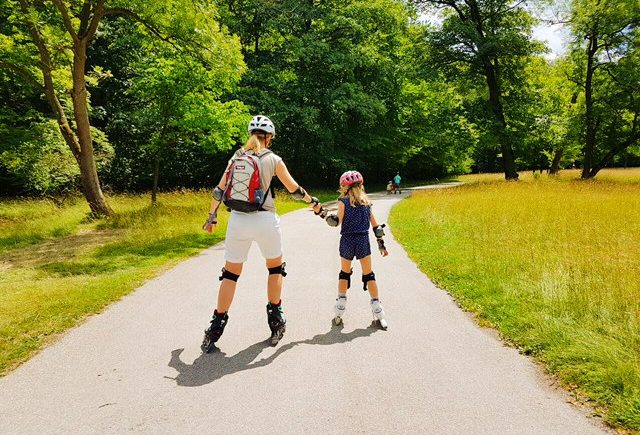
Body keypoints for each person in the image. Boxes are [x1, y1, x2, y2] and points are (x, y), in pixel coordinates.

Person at [201, 115, 318, 352]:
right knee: (275, 268)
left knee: (230, 274)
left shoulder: (236, 157)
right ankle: (275, 320)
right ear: (270, 138)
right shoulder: (273, 159)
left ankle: (215, 327)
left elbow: (218, 190)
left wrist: (211, 217)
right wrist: (312, 202)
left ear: (250, 134)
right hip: (265, 220)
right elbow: (294, 189)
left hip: (238, 221)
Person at [314, 170, 390, 329]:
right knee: (369, 275)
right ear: (360, 186)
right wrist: (381, 244)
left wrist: (322, 213)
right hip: (363, 240)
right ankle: (379, 312)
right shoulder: (367, 202)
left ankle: (339, 310)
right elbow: (376, 227)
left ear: (345, 187)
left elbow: (336, 222)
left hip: (347, 240)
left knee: (344, 273)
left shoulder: (343, 201)